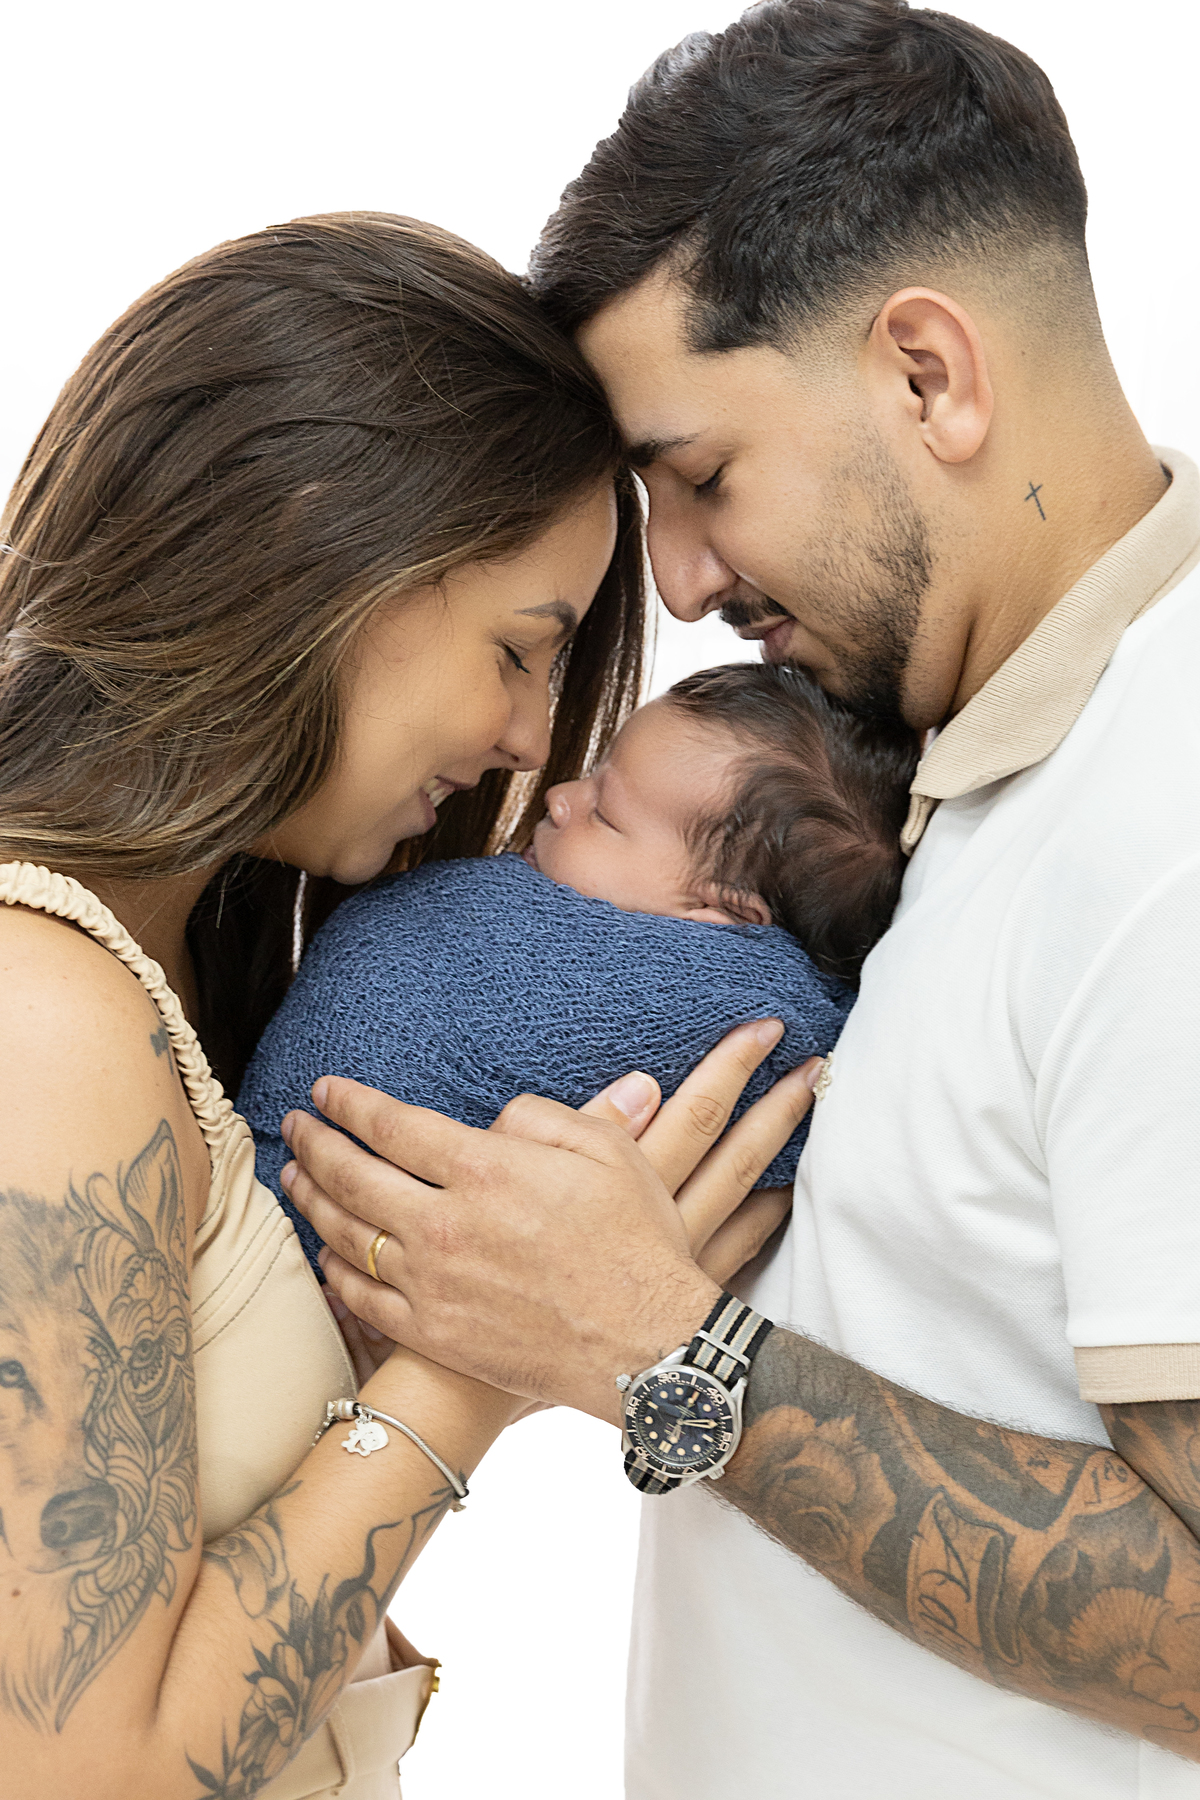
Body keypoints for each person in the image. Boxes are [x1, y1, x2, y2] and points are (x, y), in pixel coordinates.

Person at [284, 5, 1200, 1796]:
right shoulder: (948, 774)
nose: (685, 580)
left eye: (702, 481)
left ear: (928, 377)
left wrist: (665, 1350)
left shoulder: (1166, 806)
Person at [0, 210, 804, 1800]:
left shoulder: (162, 994)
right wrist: (471, 1363)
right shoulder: (45, 1015)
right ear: (322, 541)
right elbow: (79, 1778)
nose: (528, 741)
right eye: (524, 651)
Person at [239, 661, 917, 1273]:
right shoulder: (495, 924)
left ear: (721, 916)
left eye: (606, 813)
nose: (560, 797)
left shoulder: (719, 1000)